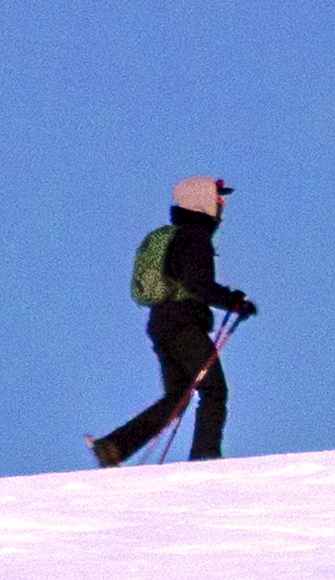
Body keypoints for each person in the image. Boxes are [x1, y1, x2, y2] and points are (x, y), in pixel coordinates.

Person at [93, 175, 261, 466]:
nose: (221, 204)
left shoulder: (181, 234)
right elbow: (197, 284)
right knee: (214, 389)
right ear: (203, 200)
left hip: (162, 323)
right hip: (183, 323)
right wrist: (233, 302)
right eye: (218, 197)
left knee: (178, 397)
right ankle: (205, 458)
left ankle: (115, 446)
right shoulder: (194, 236)